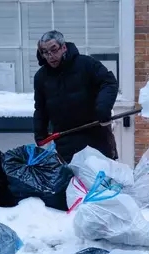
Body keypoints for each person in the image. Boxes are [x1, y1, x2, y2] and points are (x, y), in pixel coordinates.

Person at [33, 30, 119, 163]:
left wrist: (103, 107)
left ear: (64, 47)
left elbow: (108, 82)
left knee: (100, 179)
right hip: (66, 141)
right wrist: (40, 133)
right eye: (45, 52)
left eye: (54, 50)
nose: (50, 56)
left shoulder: (86, 64)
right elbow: (40, 108)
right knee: (74, 181)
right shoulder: (41, 77)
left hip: (96, 136)